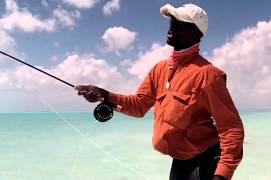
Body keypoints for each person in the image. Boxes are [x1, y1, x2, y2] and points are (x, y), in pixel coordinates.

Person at [75, 4, 244, 180]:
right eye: (172, 21)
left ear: (197, 34)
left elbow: (231, 128)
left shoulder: (209, 75)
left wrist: (222, 175)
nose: (172, 26)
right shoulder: (159, 69)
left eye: (180, 23)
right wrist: (103, 94)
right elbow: (139, 106)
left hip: (205, 160)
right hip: (181, 160)